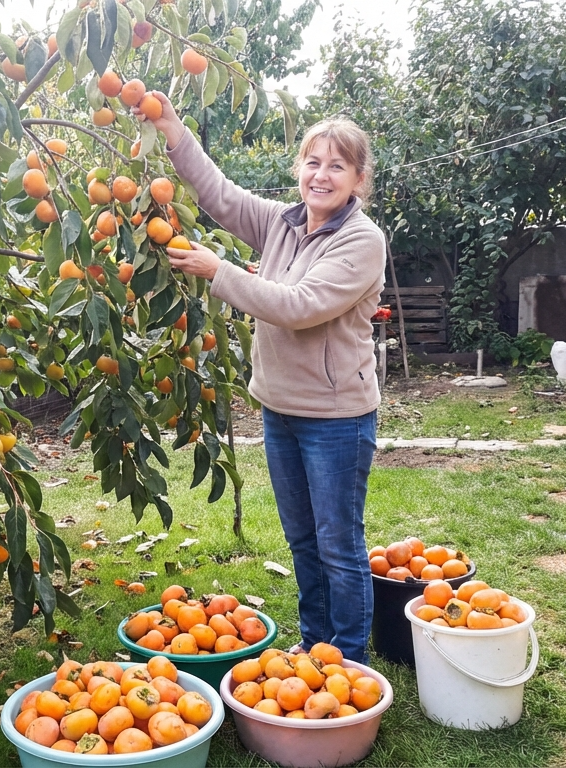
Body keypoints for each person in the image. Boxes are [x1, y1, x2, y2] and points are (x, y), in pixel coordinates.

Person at [143, 92, 386, 662]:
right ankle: (315, 642)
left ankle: (350, 659)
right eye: (312, 162)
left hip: (335, 418)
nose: (321, 175)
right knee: (302, 539)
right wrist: (173, 129)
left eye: (336, 166)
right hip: (280, 411)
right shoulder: (283, 222)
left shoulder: (361, 240)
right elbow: (219, 193)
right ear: (299, 168)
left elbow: (299, 306)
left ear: (358, 179)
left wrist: (219, 271)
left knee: (338, 544)